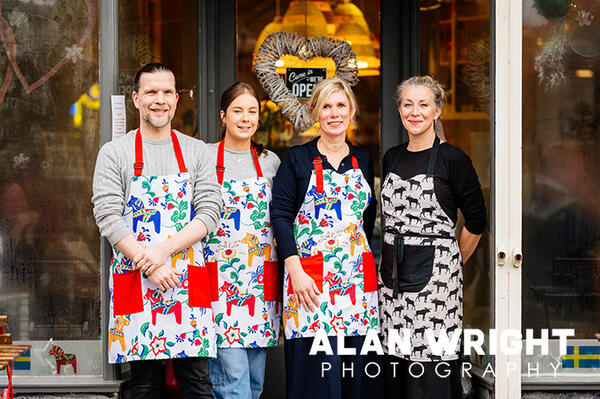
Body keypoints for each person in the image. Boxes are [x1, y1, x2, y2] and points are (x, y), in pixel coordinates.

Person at [92, 63, 221, 398]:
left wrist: (162, 253)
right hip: (136, 277)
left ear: (177, 100)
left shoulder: (196, 151)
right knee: (143, 384)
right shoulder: (115, 153)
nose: (159, 100)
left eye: (167, 92)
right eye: (151, 92)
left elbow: (210, 212)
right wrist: (148, 263)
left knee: (197, 382)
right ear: (136, 99)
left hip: (187, 281)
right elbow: (107, 215)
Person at [271, 77, 381, 399]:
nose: (334, 113)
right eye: (326, 106)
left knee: (355, 368)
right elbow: (280, 217)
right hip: (309, 282)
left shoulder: (363, 158)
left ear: (351, 111)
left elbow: (366, 217)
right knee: (315, 374)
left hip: (356, 283)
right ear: (315, 112)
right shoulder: (297, 158)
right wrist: (295, 272)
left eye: (341, 105)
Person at [378, 75, 486, 399]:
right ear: (399, 110)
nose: (415, 112)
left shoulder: (453, 159)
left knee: (431, 372)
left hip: (436, 286)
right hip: (393, 282)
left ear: (437, 111)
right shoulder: (391, 157)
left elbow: (477, 221)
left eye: (423, 104)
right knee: (397, 367)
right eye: (407, 104)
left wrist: (450, 262)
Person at [202, 82, 281, 399]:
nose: (245, 118)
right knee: (233, 382)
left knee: (255, 383)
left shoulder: (270, 162)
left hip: (260, 287)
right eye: (237, 110)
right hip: (218, 285)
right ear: (223, 116)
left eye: (252, 111)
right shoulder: (203, 158)